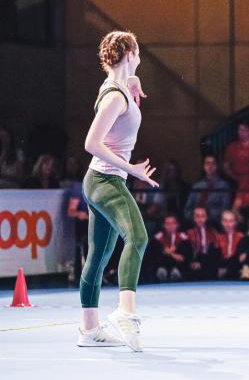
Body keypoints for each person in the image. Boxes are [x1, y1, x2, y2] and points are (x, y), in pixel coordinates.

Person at [77, 30, 158, 352]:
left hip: (100, 182)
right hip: (105, 181)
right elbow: (91, 143)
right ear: (130, 54)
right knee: (138, 238)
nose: (139, 58)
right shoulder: (114, 96)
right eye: (137, 54)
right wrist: (131, 169)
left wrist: (133, 80)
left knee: (98, 256)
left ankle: (88, 330)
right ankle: (125, 312)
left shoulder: (118, 86)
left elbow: (123, 79)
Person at [184, 155, 232, 224]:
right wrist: (195, 217)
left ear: (217, 166)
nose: (210, 166)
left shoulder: (223, 185)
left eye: (213, 163)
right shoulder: (196, 186)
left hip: (214, 222)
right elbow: (187, 209)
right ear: (204, 166)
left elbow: (224, 209)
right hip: (195, 222)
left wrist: (206, 216)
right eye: (207, 163)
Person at [151, 214, 191, 282]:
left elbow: (185, 256)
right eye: (168, 224)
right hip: (161, 265)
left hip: (178, 266)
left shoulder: (183, 238)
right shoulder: (157, 238)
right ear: (163, 225)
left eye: (173, 223)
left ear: (177, 225)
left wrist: (171, 254)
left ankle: (176, 273)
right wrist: (167, 252)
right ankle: (161, 272)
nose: (170, 226)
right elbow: (152, 255)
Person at [186, 206, 220, 280]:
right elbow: (188, 253)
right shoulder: (189, 233)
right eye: (197, 216)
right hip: (194, 263)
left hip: (209, 264)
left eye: (203, 216)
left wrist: (202, 264)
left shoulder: (213, 232)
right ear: (193, 218)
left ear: (207, 217)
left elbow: (216, 253)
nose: (200, 219)